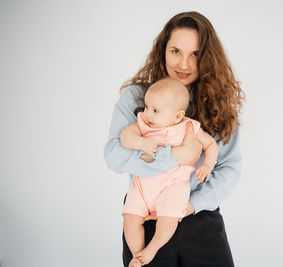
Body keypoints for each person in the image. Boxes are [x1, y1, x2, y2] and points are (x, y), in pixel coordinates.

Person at [104, 11, 244, 267]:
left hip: (198, 217)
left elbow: (229, 169)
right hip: (145, 218)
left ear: (208, 58)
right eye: (176, 51)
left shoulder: (218, 105)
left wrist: (189, 206)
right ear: (162, 50)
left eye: (196, 54)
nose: (184, 64)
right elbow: (114, 155)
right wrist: (175, 157)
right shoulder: (137, 98)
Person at [120, 77, 218, 267]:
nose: (147, 114)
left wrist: (207, 165)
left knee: (168, 220)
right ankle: (137, 256)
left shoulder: (189, 127)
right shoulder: (145, 125)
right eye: (147, 106)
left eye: (155, 110)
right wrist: (140, 142)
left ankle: (152, 248)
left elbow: (211, 144)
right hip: (142, 185)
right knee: (130, 219)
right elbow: (125, 136)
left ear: (177, 116)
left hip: (172, 185)